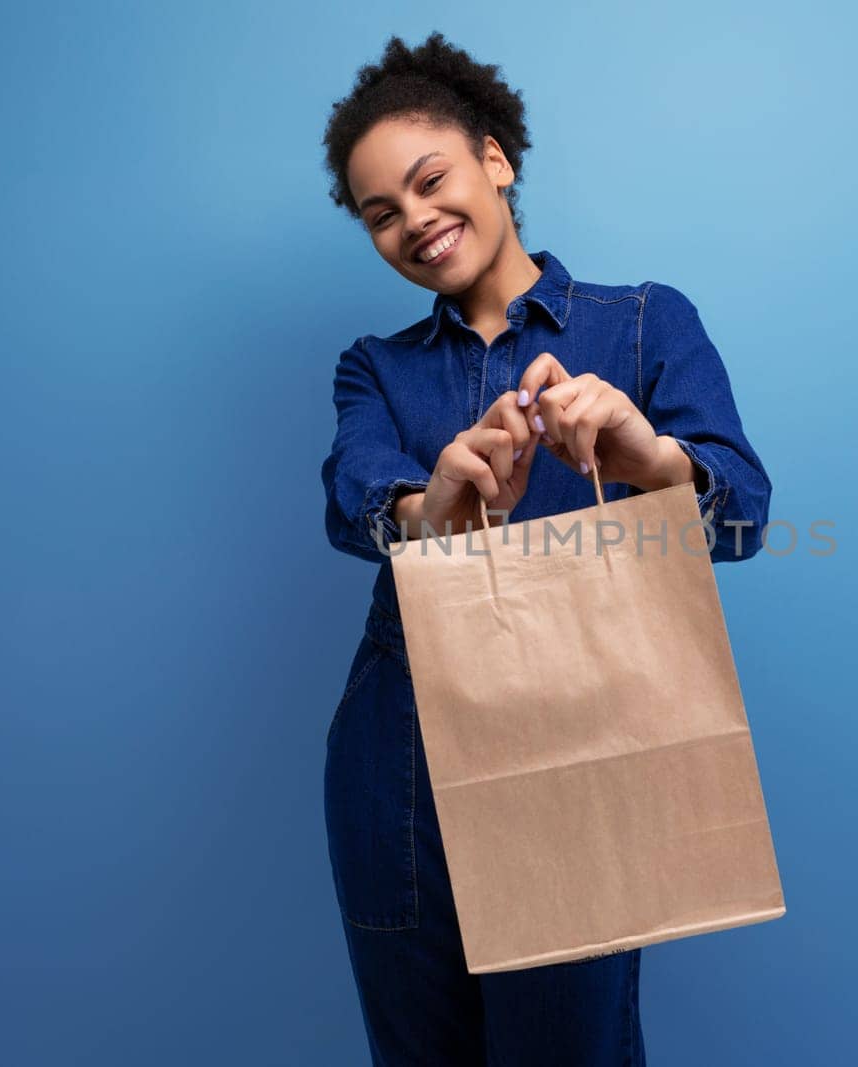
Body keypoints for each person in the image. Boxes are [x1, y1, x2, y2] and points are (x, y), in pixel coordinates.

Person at [317, 31, 772, 1066]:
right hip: (401, 773)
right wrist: (427, 507)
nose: (414, 221)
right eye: (381, 213)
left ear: (495, 158)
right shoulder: (374, 371)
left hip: (585, 761)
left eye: (429, 180)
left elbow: (743, 516)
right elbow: (349, 500)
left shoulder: (647, 325)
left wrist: (655, 459)